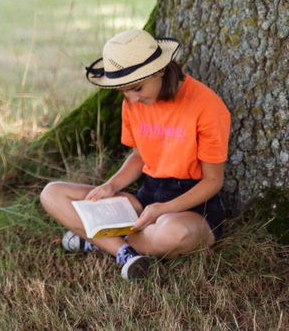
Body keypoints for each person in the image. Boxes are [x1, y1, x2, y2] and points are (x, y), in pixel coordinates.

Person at [39, 29, 231, 279]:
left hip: (192, 207)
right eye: (123, 92)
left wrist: (162, 210)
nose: (131, 98)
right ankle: (125, 252)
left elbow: (213, 182)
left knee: (172, 234)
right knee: (52, 194)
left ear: (160, 69)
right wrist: (111, 186)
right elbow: (140, 156)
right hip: (147, 199)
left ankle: (98, 238)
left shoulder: (207, 106)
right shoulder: (134, 101)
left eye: (137, 88)